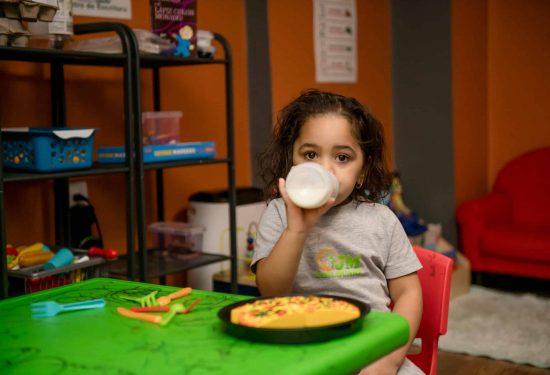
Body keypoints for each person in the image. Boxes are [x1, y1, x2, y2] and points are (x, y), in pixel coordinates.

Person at [251, 89, 424, 375]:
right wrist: (297, 230)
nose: (325, 169)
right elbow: (270, 292)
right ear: (291, 161)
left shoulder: (381, 220)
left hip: (371, 349)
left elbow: (408, 292)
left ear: (363, 172)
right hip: (298, 349)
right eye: (310, 154)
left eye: (342, 158)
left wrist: (391, 358)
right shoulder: (280, 214)